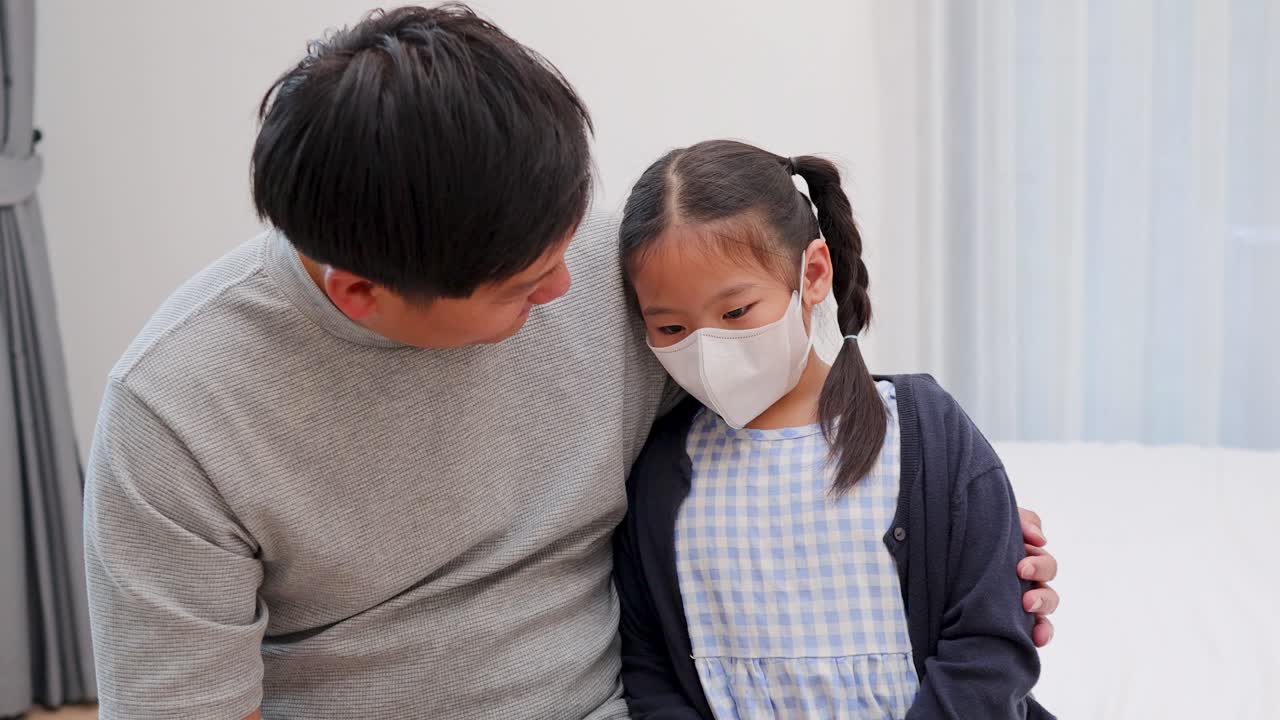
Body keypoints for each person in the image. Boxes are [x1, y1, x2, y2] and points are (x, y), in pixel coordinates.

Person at [82, 6, 1060, 719]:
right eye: (520, 285)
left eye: (568, 243)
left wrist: (956, 540)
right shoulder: (176, 413)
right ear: (359, 295)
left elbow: (781, 411)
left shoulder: (599, 262)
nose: (570, 291)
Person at [612, 140, 1053, 718]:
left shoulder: (924, 432)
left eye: (736, 312)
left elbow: (990, 645)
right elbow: (649, 671)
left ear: (813, 273)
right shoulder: (659, 472)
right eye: (671, 327)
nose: (707, 346)